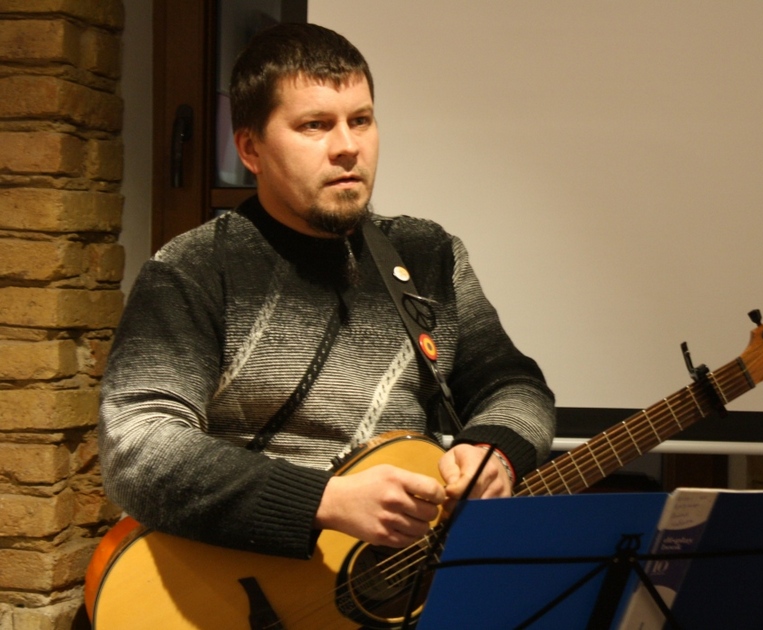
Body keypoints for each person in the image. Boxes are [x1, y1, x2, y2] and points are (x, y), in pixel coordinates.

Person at [98, 22, 556, 561]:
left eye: (360, 121)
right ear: (250, 149)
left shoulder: (428, 255)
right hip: (255, 585)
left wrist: (495, 453)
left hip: (403, 580)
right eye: (315, 125)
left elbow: (514, 386)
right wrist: (324, 500)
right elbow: (138, 445)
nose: (348, 147)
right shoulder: (193, 270)